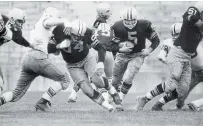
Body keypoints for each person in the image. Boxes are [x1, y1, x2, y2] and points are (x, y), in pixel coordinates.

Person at [135, 1, 203, 111]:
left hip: (186, 59)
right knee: (170, 87)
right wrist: (199, 22)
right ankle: (144, 98)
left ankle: (158, 104)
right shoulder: (191, 17)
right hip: (177, 54)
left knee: (183, 91)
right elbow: (189, 16)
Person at [0, 7, 70, 112]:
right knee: (64, 80)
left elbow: (54, 52)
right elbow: (48, 22)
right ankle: (43, 102)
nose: (20, 24)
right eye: (19, 21)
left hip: (27, 59)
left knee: (16, 94)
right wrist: (64, 21)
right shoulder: (45, 21)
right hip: (38, 59)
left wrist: (60, 45)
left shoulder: (41, 29)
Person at [48, 19, 120, 112]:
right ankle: (109, 107)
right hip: (72, 65)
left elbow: (101, 47)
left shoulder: (87, 32)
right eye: (75, 36)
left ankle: (112, 91)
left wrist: (100, 62)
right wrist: (59, 46)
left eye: (79, 37)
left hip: (87, 59)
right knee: (87, 89)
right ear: (70, 31)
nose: (77, 39)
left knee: (97, 81)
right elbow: (49, 49)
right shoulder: (59, 31)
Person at [110, 7, 160, 110]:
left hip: (138, 54)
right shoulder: (117, 26)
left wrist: (149, 50)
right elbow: (111, 45)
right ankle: (111, 96)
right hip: (122, 55)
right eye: (127, 20)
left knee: (129, 76)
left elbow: (156, 40)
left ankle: (120, 100)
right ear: (123, 19)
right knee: (115, 81)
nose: (129, 23)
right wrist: (120, 49)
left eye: (132, 20)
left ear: (136, 19)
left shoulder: (144, 25)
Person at [0, 8, 35, 94]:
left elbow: (19, 39)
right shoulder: (2, 20)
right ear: (11, 19)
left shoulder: (15, 32)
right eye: (19, 21)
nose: (20, 24)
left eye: (22, 22)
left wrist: (30, 45)